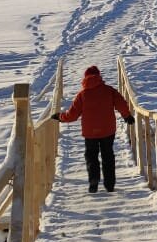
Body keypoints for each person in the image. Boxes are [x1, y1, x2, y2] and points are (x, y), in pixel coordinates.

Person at [55, 65, 133, 193]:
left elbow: (72, 114)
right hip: (108, 130)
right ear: (99, 76)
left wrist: (60, 117)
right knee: (108, 156)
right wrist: (127, 116)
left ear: (85, 77)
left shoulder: (82, 95)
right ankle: (109, 185)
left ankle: (94, 181)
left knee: (91, 156)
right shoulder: (109, 90)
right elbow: (121, 103)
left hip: (90, 132)